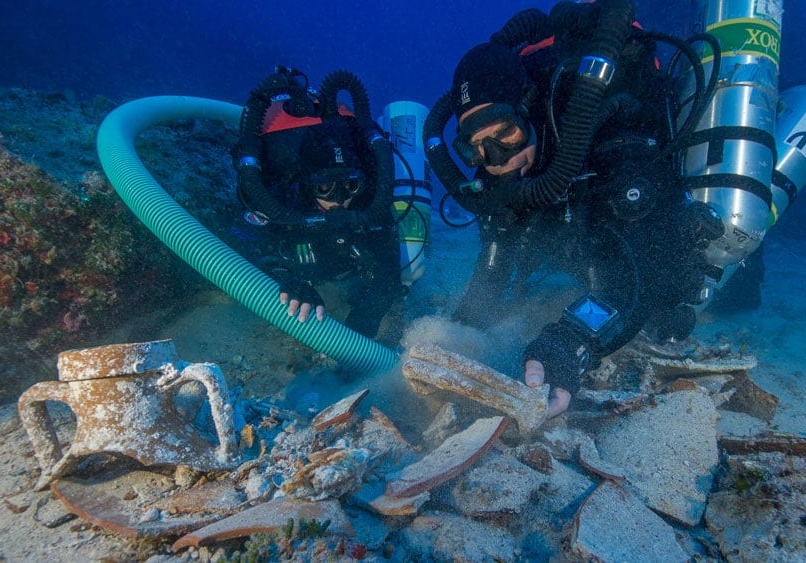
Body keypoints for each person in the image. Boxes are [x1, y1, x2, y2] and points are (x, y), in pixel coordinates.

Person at [424, 1, 724, 416]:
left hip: (643, 242)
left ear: (529, 107)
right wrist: (461, 333)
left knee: (675, 293)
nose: (498, 159)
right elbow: (494, 266)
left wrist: (568, 343)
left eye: (505, 133)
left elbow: (635, 280)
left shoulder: (609, 141)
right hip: (588, 252)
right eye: (476, 148)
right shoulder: (502, 175)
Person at [231, 66, 404, 340]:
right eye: (325, 187)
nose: (340, 199)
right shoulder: (280, 196)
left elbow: (389, 273)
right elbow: (239, 248)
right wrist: (284, 278)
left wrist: (361, 326)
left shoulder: (370, 198)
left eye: (350, 186)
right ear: (306, 185)